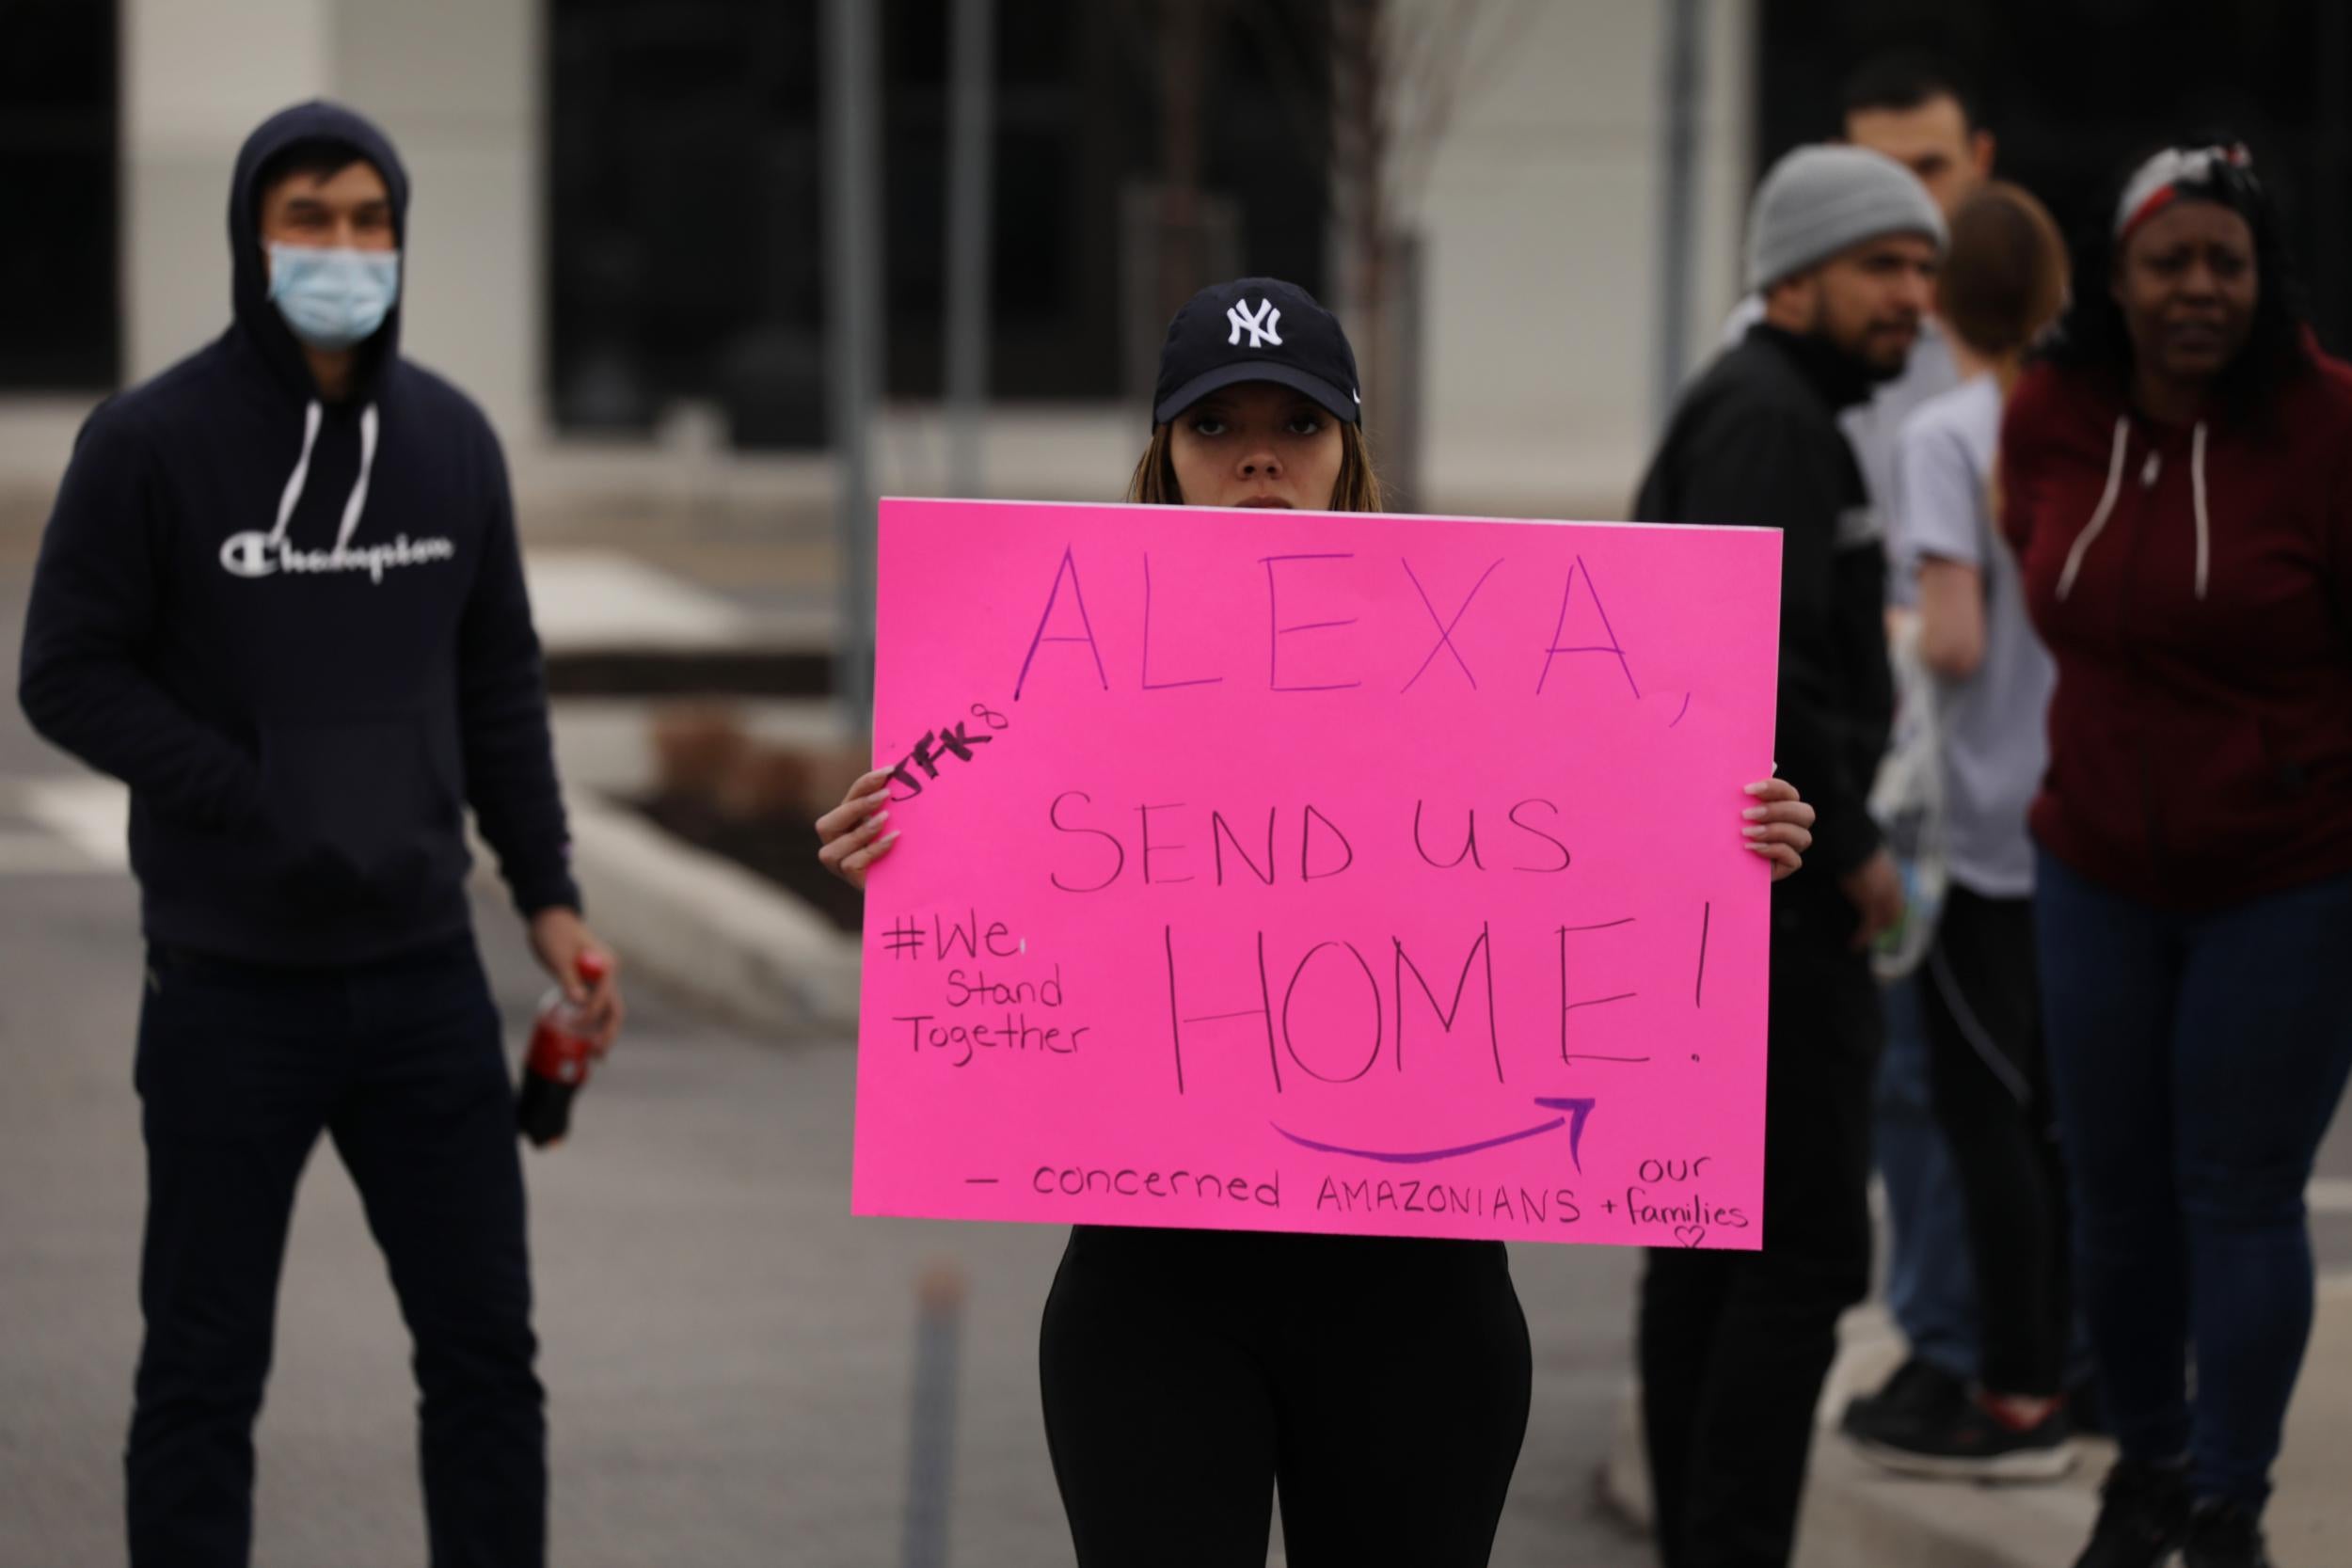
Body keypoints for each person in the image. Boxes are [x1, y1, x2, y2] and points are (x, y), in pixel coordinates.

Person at [815, 277, 1819, 1567]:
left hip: (1418, 1305)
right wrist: (910, 858)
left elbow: (1609, 829)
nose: (1257, 464)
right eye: (1216, 431)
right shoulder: (1048, 689)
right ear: (1162, 461)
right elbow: (1013, 941)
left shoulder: (1485, 661)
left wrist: (1728, 846)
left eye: (1296, 430)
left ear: (1350, 456)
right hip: (1154, 1300)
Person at [18, 102, 622, 1568]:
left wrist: (548, 898)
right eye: (310, 219)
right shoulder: (150, 443)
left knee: (484, 1360)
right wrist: (241, 785)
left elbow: (497, 686)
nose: (343, 248)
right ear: (253, 235)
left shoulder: (452, 445)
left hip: (423, 980)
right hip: (229, 989)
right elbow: (65, 672)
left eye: (369, 220)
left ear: (400, 239)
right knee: (203, 1375)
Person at [2003, 138, 2352, 1568]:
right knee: (2113, 1187)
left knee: (2240, 1192)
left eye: (2228, 261)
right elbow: (2044, 572)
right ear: (2118, 279)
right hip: (2091, 862)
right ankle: (2144, 1466)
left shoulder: (2328, 428)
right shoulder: (2054, 410)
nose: (2200, 287)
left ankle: (2226, 1498)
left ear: (2264, 281)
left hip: (2286, 871)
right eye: (2171, 261)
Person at [1631, 145, 1944, 1568]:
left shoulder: (1782, 412)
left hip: (1742, 901)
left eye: (1927, 270)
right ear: (1794, 276)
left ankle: (1712, 1536)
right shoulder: (1769, 421)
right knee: (1797, 1254)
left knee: (1714, 1247)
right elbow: (1753, 667)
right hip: (1767, 909)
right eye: (1885, 267)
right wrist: (1857, 850)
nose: (1915, 300)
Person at [1846, 182, 2074, 1481]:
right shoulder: (2088, 424)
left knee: (1985, 1120)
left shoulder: (1950, 433)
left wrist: (1880, 636)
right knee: (2067, 1122)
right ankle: (2073, 1372)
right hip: (2086, 824)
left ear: (1945, 303)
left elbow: (1953, 636)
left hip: (1978, 832)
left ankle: (2012, 1396)